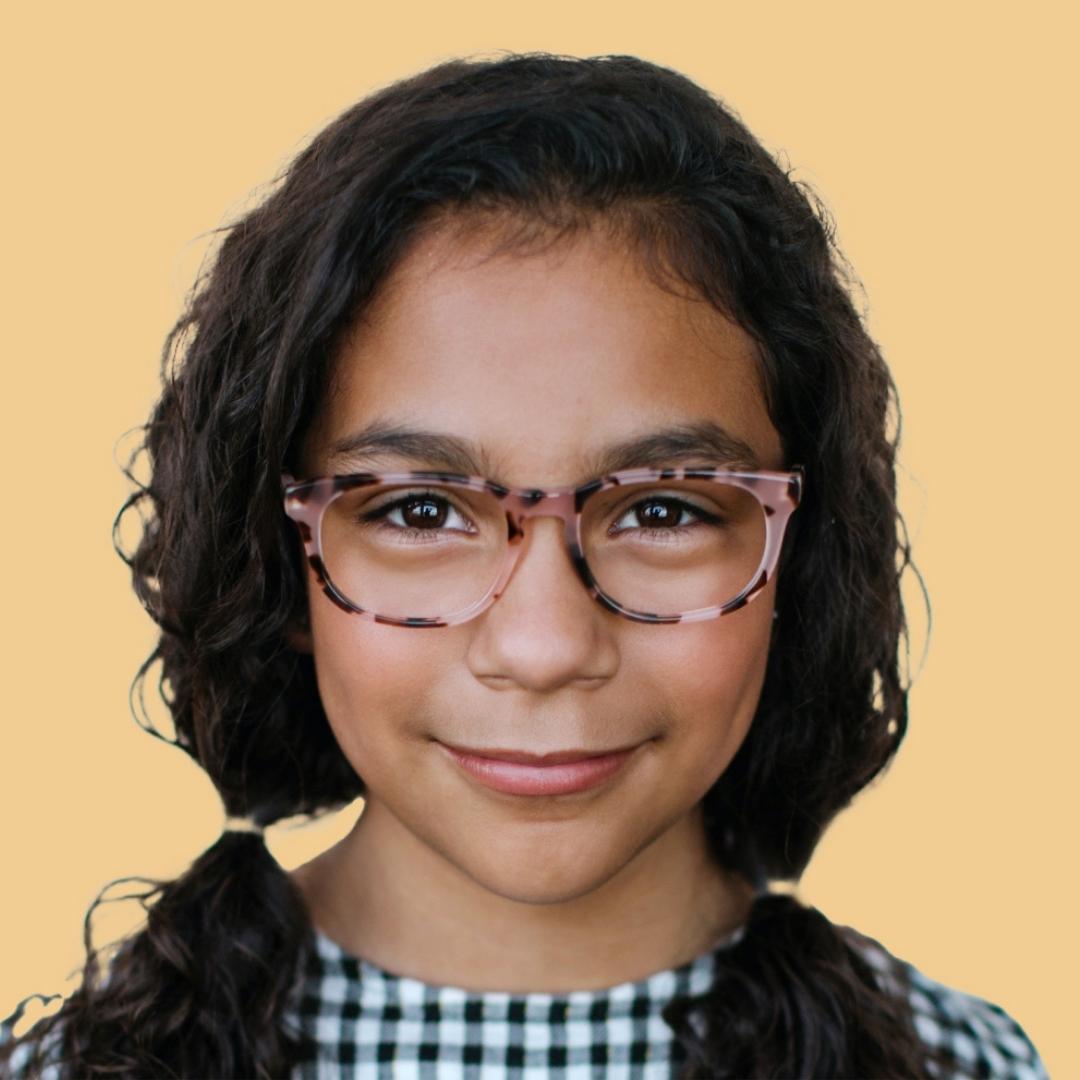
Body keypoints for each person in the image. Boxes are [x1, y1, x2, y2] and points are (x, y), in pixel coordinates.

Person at [0, 52, 1048, 1079]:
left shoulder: (961, 1065)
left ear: (797, 561)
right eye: (419, 509)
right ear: (277, 561)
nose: (544, 648)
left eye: (665, 508)